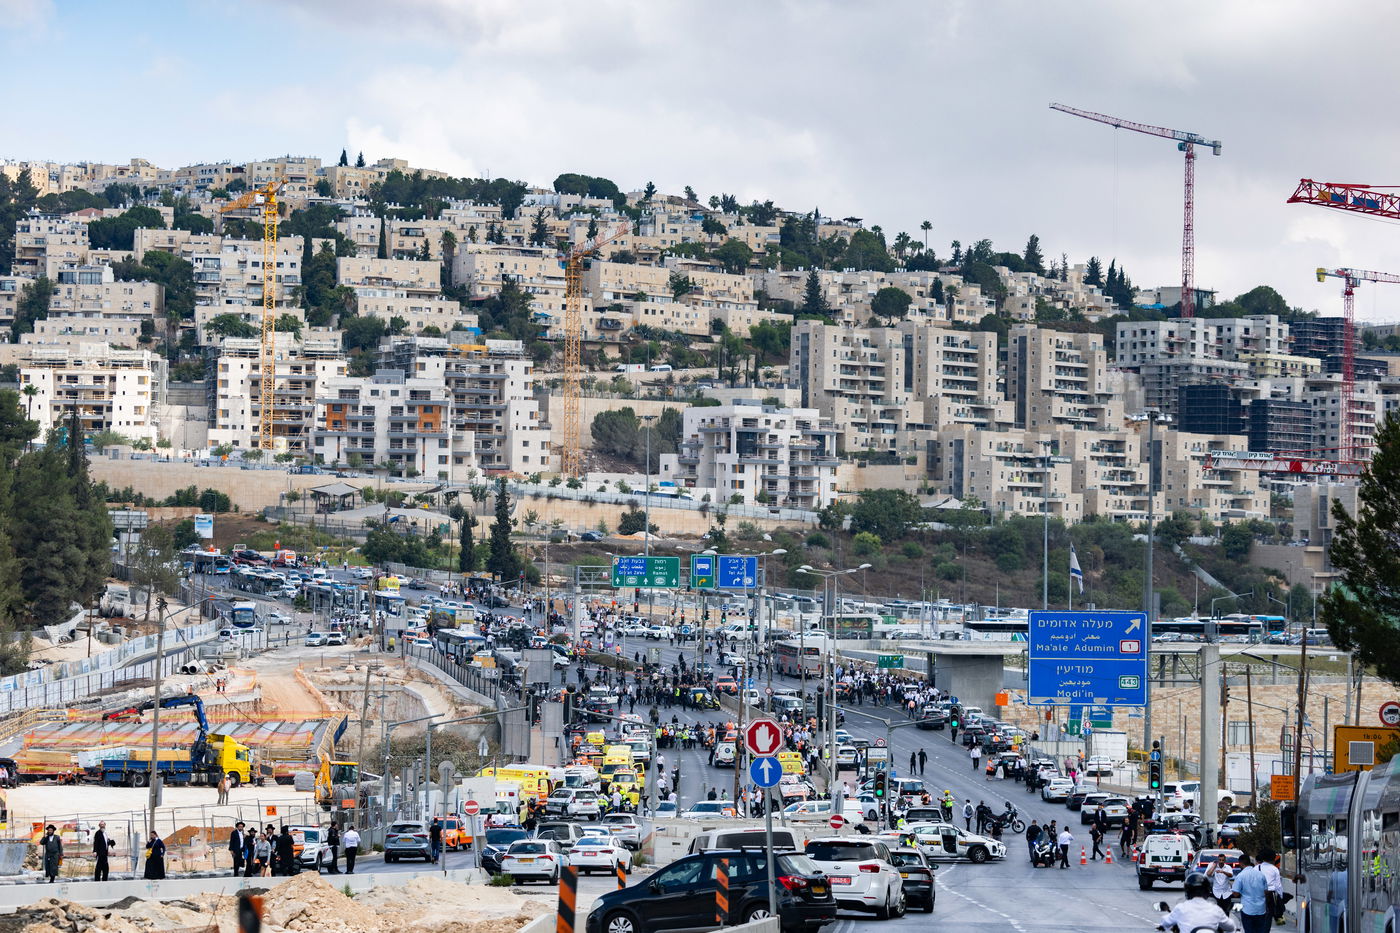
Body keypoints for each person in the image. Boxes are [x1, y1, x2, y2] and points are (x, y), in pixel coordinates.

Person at [1232, 852, 1272, 933]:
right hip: (1261, 909)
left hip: (1248, 909)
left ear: (1240, 863)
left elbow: (1235, 893)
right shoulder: (1261, 875)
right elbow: (1266, 891)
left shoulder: (1240, 876)